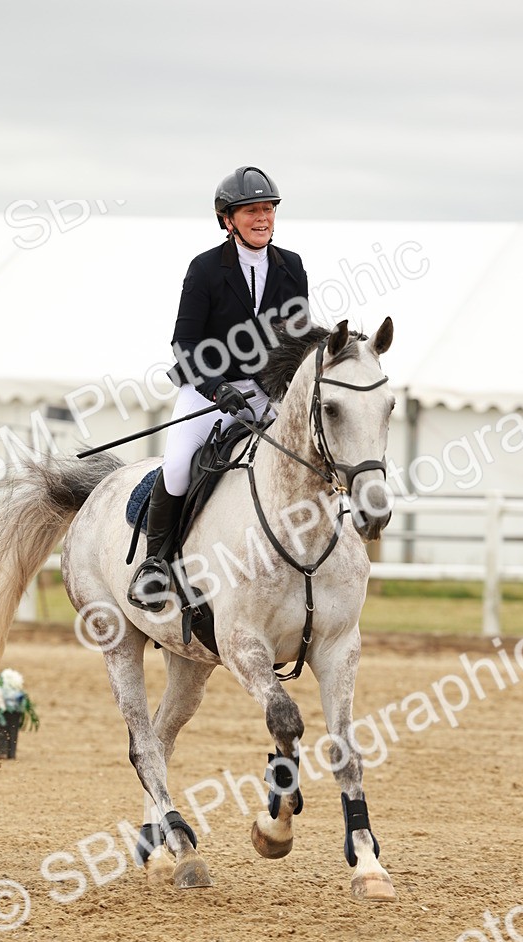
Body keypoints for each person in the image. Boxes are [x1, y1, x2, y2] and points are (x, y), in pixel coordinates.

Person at [127, 165, 309, 612]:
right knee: (177, 467)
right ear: (228, 219)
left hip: (267, 393)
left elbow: (297, 338)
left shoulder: (292, 267)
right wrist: (215, 389)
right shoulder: (206, 269)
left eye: (268, 208)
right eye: (251, 210)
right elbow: (184, 343)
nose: (262, 217)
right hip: (209, 392)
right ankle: (156, 563)